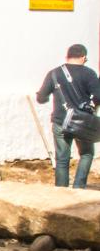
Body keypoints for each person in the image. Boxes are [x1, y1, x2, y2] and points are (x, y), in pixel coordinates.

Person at [36, 44, 100, 188]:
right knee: (86, 154)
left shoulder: (54, 74)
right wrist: (90, 104)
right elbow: (99, 96)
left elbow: (41, 98)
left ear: (67, 57)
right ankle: (78, 187)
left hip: (60, 122)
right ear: (84, 57)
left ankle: (61, 191)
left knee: (62, 159)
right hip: (82, 123)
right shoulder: (89, 73)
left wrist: (44, 96)